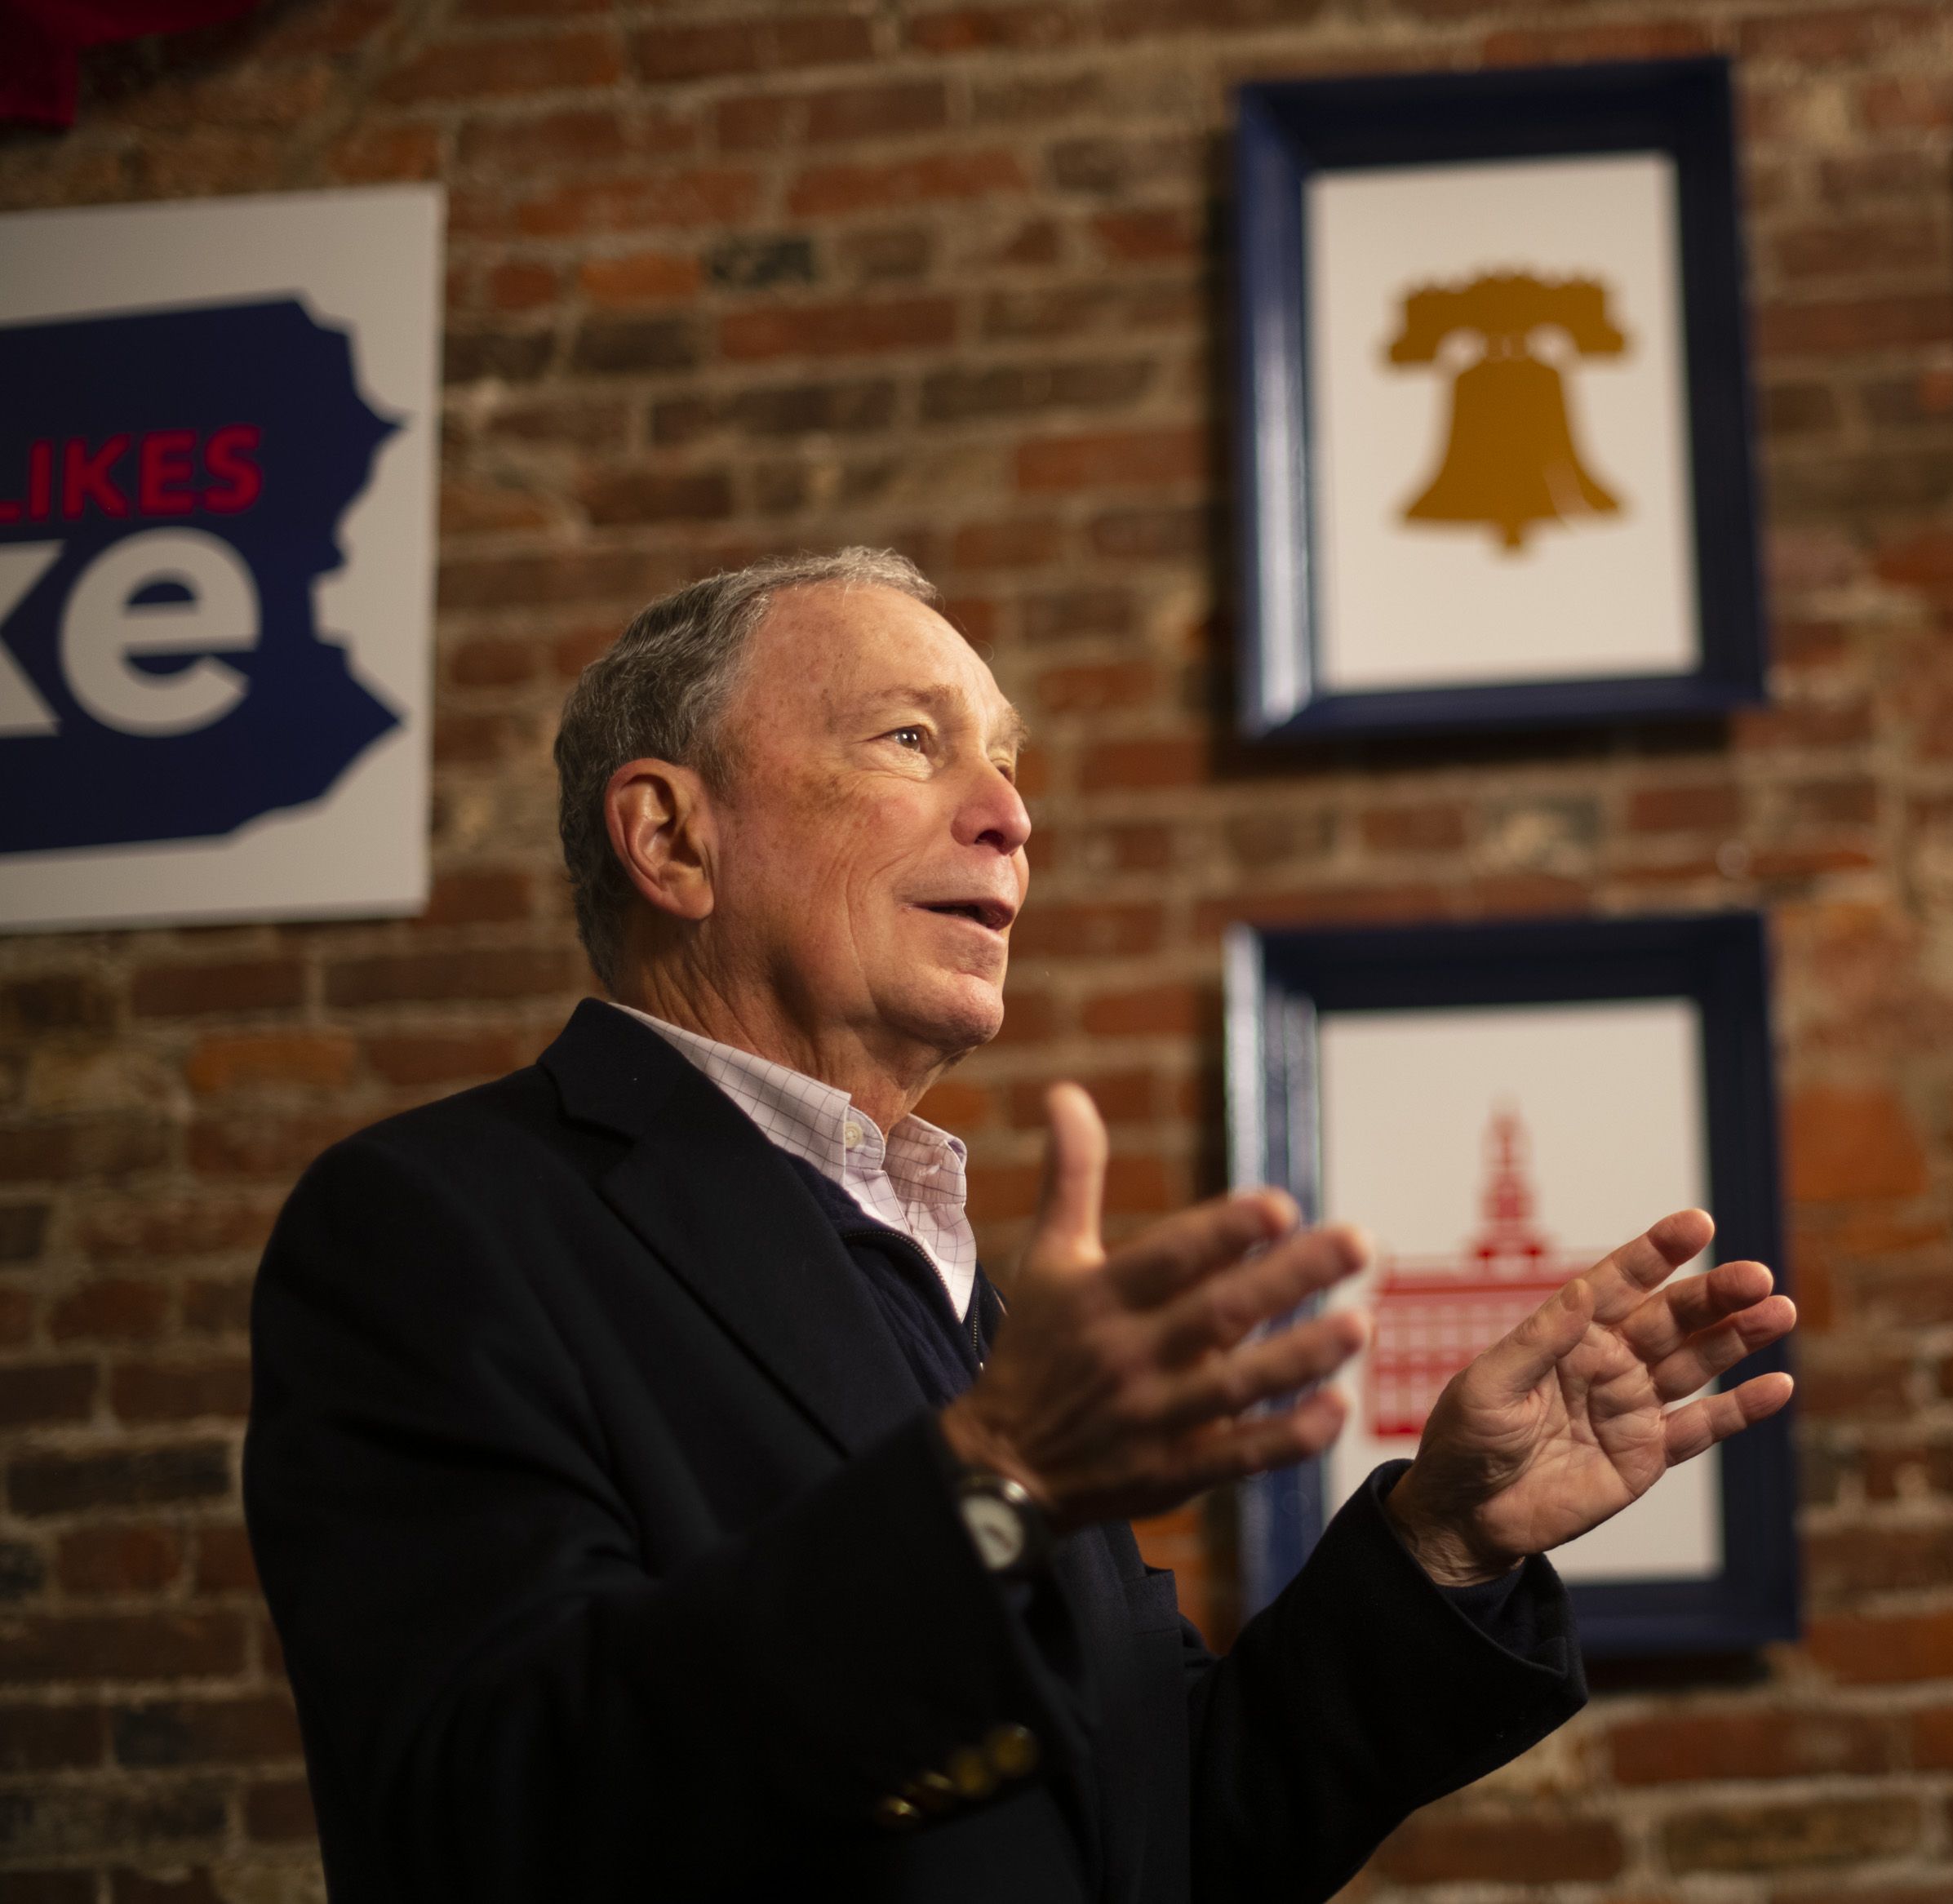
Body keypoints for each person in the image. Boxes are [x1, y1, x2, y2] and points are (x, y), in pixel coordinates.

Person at [241, 548, 1799, 1904]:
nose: (1009, 814)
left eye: (1005, 760)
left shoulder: (948, 1275)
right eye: (911, 741)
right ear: (672, 840)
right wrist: (991, 1487)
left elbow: (1157, 1831)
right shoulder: (438, 1225)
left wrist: (1442, 1543)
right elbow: (490, 1815)